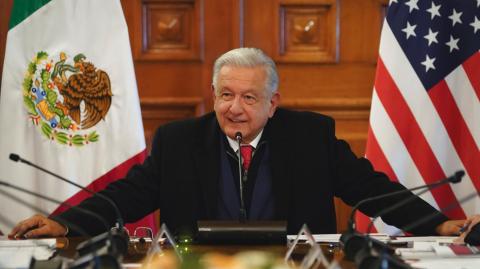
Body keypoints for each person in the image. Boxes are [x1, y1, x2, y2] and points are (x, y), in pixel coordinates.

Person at [10, 47, 464, 239]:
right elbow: (126, 196)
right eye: (226, 95)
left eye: (249, 97)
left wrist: (438, 224)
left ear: (273, 103)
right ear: (214, 95)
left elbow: (371, 189)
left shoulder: (311, 137)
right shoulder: (179, 140)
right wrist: (66, 224)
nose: (235, 108)